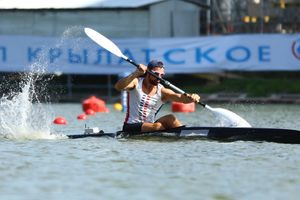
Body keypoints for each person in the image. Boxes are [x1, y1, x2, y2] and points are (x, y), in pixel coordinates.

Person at [114, 60, 201, 133]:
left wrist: (192, 97)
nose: (159, 78)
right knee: (157, 126)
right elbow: (118, 86)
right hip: (131, 127)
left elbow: (180, 98)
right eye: (156, 74)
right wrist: (135, 74)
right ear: (148, 72)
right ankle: (169, 136)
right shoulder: (136, 83)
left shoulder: (162, 91)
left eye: (161, 75)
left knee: (171, 118)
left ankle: (185, 135)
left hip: (150, 126)